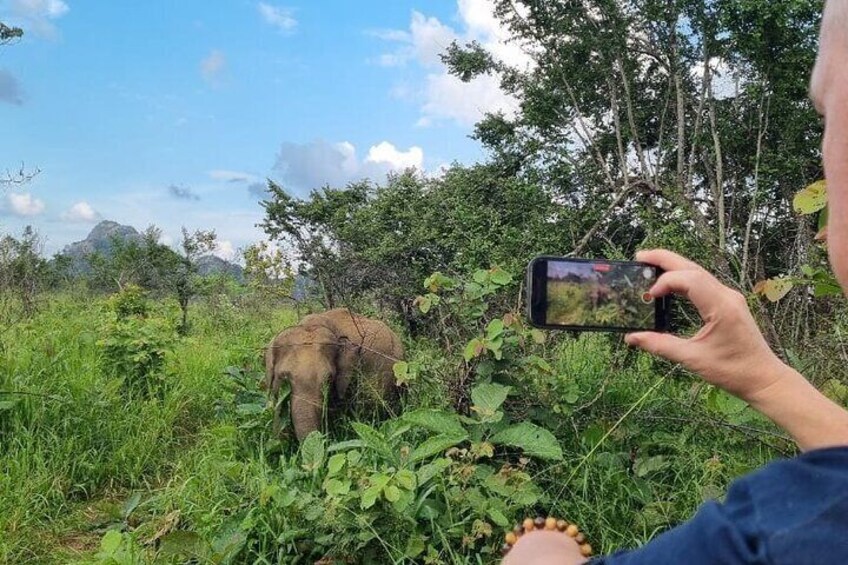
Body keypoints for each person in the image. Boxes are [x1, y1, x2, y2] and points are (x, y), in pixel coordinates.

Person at [503, 1, 848, 563]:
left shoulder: (774, 534)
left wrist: (540, 540)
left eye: (827, 118)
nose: (823, 153)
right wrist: (766, 380)